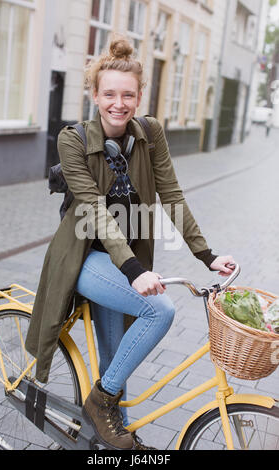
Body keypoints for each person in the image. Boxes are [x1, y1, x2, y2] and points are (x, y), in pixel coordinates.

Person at [25, 35, 235, 451]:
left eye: (127, 94)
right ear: (94, 95)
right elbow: (92, 210)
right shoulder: (73, 140)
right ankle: (99, 405)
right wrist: (134, 271)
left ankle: (109, 440)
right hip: (84, 256)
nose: (117, 103)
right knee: (159, 311)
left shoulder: (150, 133)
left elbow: (171, 196)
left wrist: (206, 256)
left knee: (114, 360)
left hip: (124, 263)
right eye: (108, 94)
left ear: (140, 96)